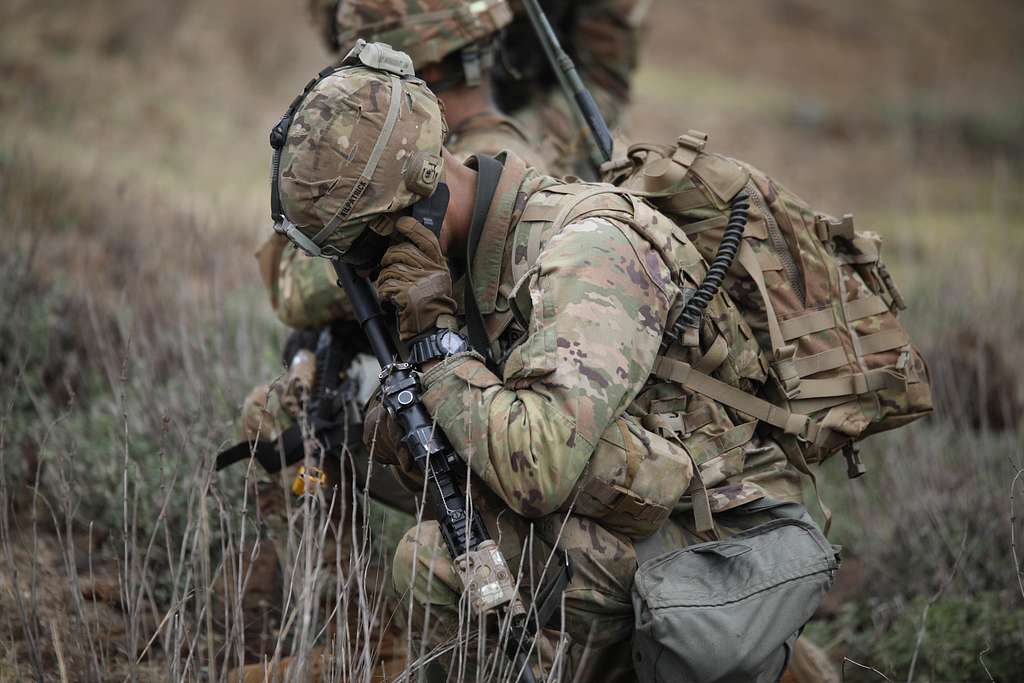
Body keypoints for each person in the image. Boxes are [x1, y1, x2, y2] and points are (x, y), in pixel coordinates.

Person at [268, 45, 837, 682]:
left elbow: (536, 467)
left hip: (714, 525)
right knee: (312, 437)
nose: (362, 272)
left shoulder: (585, 255)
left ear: (417, 203)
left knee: (436, 564)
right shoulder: (456, 258)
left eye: (358, 249)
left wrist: (436, 343)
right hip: (608, 491)